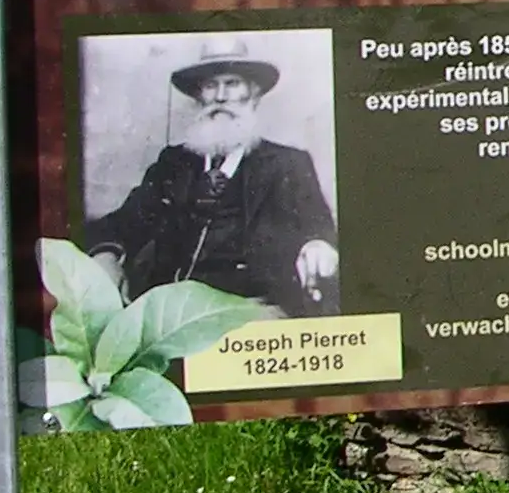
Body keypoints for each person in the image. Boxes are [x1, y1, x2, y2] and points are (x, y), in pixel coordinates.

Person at [83, 39, 339, 311]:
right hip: (172, 312)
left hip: (251, 311)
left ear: (253, 95)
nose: (220, 96)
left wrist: (317, 247)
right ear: (198, 97)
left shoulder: (287, 163)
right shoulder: (174, 163)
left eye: (232, 84)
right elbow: (122, 223)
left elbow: (318, 226)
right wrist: (105, 255)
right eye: (210, 85)